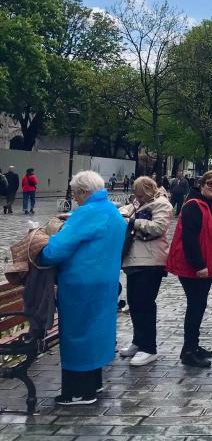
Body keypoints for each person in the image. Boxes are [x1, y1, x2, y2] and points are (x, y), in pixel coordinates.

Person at [39, 171, 126, 405]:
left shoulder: (86, 214)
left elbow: (56, 250)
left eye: (76, 194)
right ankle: (93, 384)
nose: (75, 199)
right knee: (97, 332)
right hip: (105, 281)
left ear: (84, 192)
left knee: (77, 335)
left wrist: (41, 249)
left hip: (80, 283)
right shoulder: (112, 211)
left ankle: (76, 392)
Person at [166, 170, 212, 368]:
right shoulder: (193, 205)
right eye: (211, 183)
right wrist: (199, 265)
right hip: (195, 266)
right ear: (201, 185)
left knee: (199, 306)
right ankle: (188, 351)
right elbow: (189, 238)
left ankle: (194, 345)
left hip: (207, 263)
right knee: (195, 307)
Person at [119, 176, 173, 366]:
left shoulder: (162, 204)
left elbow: (158, 227)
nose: (137, 197)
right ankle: (138, 341)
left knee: (145, 304)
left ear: (149, 191)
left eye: (140, 193)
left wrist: (133, 223)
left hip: (151, 261)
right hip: (133, 260)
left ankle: (149, 348)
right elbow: (125, 211)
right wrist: (126, 215)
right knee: (133, 303)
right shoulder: (138, 203)